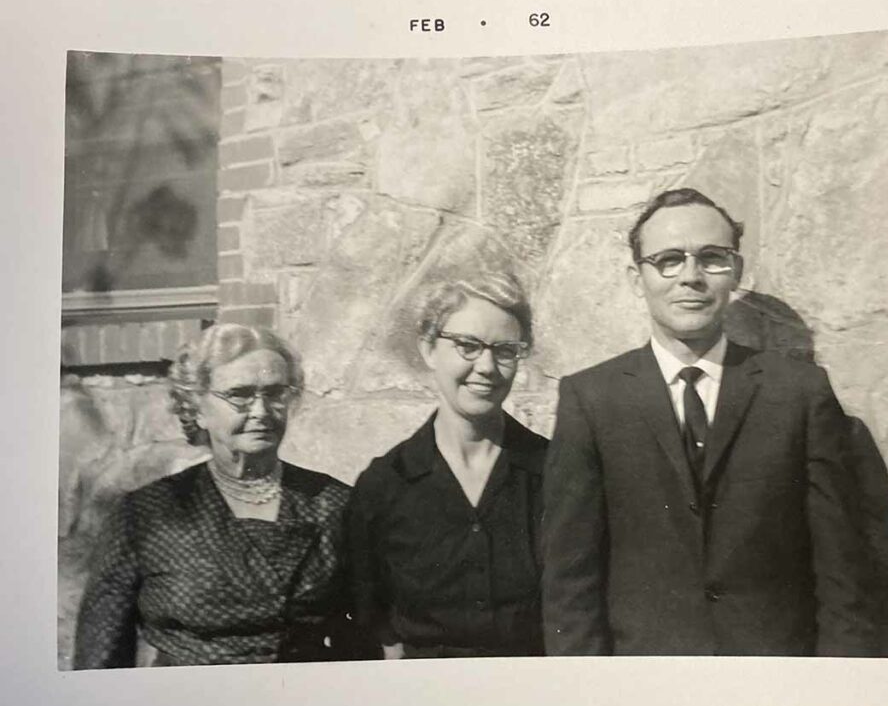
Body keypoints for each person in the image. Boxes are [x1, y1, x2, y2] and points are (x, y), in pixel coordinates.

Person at [541, 187, 881, 657]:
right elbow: (569, 580)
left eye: (712, 258)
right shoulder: (591, 398)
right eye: (668, 260)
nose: (691, 277)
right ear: (635, 279)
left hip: (773, 679)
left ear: (735, 271)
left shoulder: (799, 392)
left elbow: (843, 573)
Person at [74, 323, 375, 668]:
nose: (261, 411)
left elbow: (363, 643)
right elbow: (100, 656)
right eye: (240, 394)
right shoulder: (145, 514)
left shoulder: (333, 504)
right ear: (196, 407)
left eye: (276, 393)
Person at [347, 271, 547, 659]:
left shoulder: (555, 471)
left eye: (505, 349)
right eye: (467, 346)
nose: (487, 367)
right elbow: (367, 616)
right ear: (428, 348)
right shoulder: (385, 484)